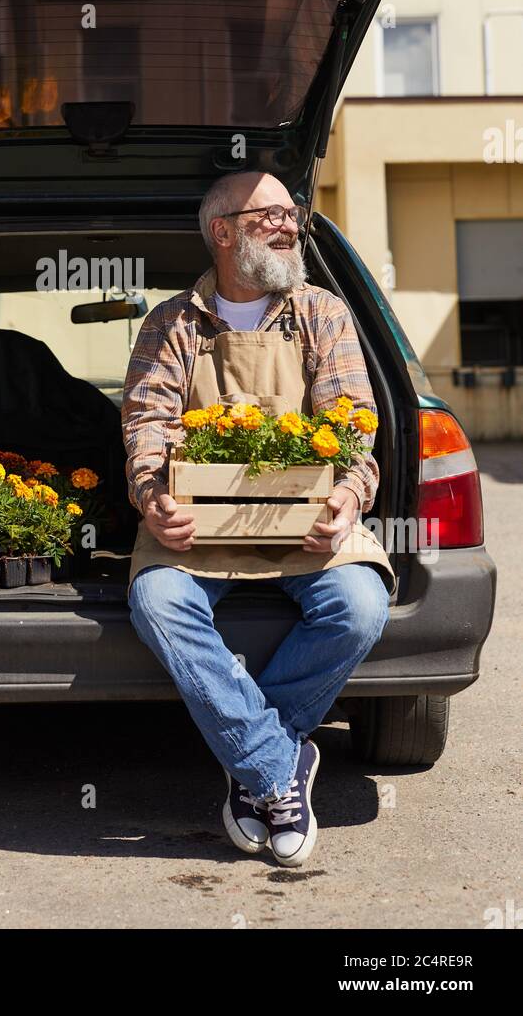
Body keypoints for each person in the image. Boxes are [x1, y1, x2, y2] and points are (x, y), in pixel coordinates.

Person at [121, 170, 396, 866]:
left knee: (360, 603)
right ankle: (278, 770)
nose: (290, 224)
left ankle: (253, 762)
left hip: (307, 524)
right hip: (196, 527)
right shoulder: (172, 323)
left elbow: (355, 428)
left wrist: (348, 497)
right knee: (158, 599)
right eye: (270, 213)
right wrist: (153, 498)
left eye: (292, 213)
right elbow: (147, 425)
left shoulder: (321, 314)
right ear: (223, 231)